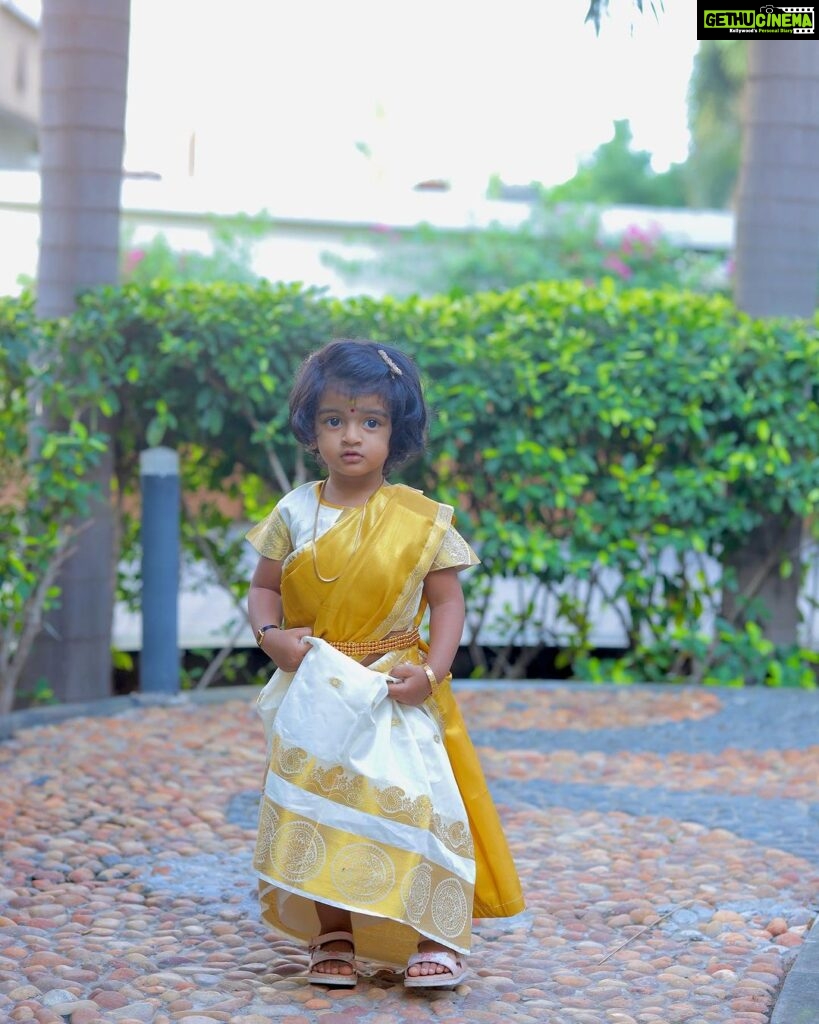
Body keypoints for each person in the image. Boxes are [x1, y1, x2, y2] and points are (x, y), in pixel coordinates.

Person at [246, 339, 524, 990]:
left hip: (398, 686)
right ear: (311, 431)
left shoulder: (419, 520)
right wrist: (270, 636)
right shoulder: (294, 512)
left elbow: (446, 601)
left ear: (396, 431)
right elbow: (262, 589)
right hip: (316, 683)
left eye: (370, 421)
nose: (352, 437)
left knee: (421, 807)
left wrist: (430, 673)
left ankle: (436, 935)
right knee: (324, 807)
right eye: (334, 420)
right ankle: (333, 933)